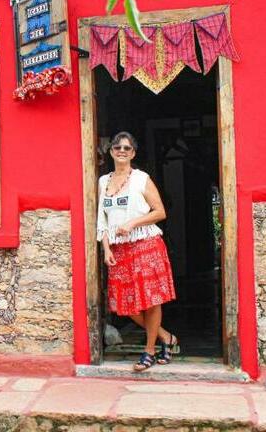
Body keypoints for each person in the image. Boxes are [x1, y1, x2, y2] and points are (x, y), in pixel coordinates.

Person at [98, 131, 178, 371]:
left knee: (151, 300)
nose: (122, 151)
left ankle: (149, 351)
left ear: (133, 153)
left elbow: (160, 211)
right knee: (125, 305)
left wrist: (133, 223)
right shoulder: (103, 182)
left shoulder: (142, 179)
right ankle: (166, 337)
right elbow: (101, 219)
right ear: (111, 152)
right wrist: (106, 248)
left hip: (146, 245)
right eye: (117, 147)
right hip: (119, 250)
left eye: (127, 148)